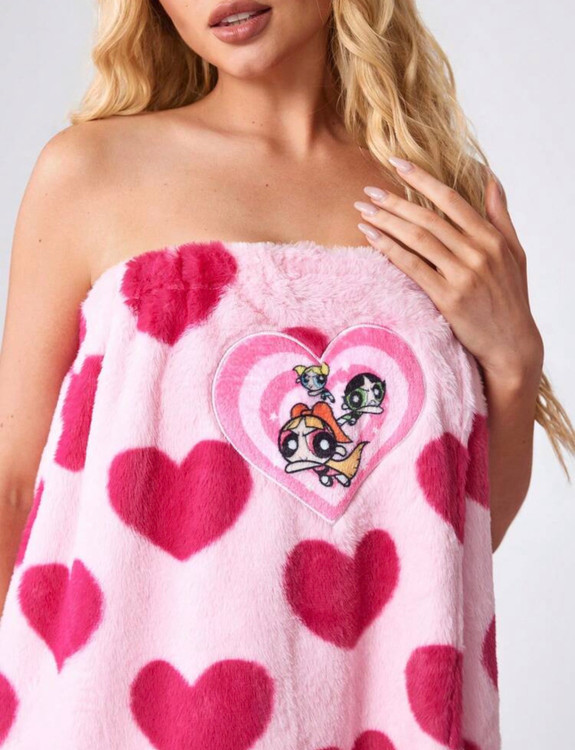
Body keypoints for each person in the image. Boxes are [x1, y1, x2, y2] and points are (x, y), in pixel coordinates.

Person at [0, 1, 573, 748]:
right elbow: (14, 485)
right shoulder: (90, 172)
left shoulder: (432, 199)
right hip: (118, 712)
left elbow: (452, 529)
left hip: (375, 713)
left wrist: (514, 360)